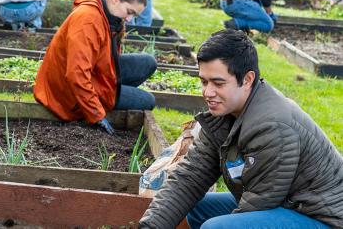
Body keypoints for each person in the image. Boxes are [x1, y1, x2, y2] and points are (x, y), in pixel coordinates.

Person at [139, 29, 343, 228]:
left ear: (247, 80)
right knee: (196, 208)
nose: (208, 92)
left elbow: (259, 203)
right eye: (203, 81)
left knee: (216, 227)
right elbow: (190, 178)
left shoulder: (271, 126)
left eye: (218, 83)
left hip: (320, 216)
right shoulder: (226, 115)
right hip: (286, 203)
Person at [34, 0, 156, 135]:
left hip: (95, 72)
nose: (129, 19)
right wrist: (96, 114)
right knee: (148, 101)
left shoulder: (104, 9)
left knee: (148, 62)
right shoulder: (88, 20)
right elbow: (76, 74)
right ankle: (104, 100)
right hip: (66, 94)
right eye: (130, 12)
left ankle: (114, 95)